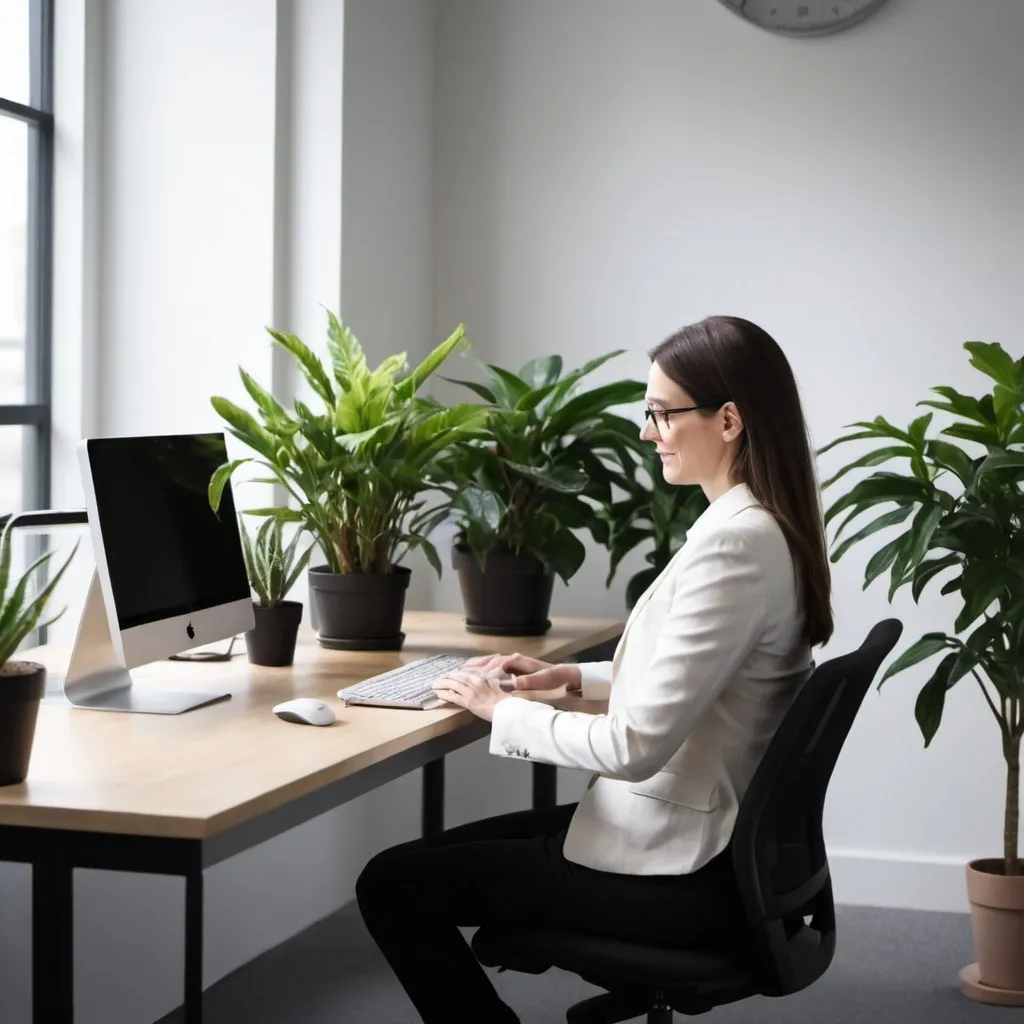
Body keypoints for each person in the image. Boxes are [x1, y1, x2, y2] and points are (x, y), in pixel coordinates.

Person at [355, 315, 834, 1023]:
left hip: (683, 875)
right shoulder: (764, 532)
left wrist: (503, 711)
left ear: (727, 419)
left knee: (390, 883)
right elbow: (712, 675)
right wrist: (573, 680)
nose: (648, 433)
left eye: (662, 414)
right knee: (439, 858)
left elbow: (633, 749)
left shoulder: (735, 548)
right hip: (714, 846)